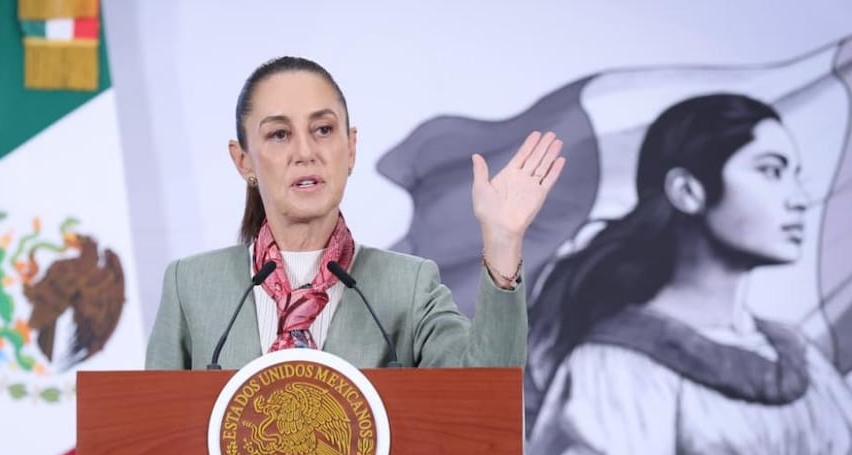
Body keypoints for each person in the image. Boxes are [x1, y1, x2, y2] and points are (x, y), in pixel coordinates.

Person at [511, 93, 852, 455]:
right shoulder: (617, 365)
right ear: (688, 190)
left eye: (796, 173)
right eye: (771, 170)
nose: (800, 198)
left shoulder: (800, 357)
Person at [145, 56, 564, 370]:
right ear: (244, 162)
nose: (305, 152)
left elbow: (484, 394)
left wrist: (503, 242)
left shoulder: (410, 286)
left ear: (351, 148)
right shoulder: (190, 287)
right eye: (279, 134)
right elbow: (150, 443)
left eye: (323, 130)